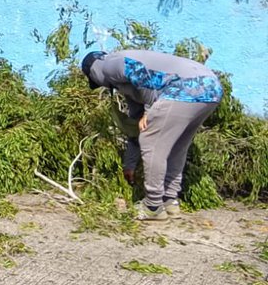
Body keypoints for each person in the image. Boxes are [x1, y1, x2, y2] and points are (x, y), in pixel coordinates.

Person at [81, 49, 223, 220]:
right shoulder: (128, 86)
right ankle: (170, 201)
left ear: (93, 71)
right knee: (177, 146)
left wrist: (151, 109)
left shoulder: (109, 64)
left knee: (152, 142)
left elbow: (135, 70)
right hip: (211, 88)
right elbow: (136, 126)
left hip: (185, 87)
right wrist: (130, 164)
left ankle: (153, 206)